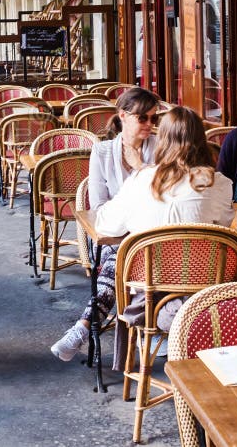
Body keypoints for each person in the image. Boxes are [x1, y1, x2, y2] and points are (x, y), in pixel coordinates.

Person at [51, 105, 233, 364]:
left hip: (149, 285)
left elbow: (104, 226)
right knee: (132, 252)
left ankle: (94, 325)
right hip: (204, 287)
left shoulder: (144, 179)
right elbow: (223, 225)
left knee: (121, 251)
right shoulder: (221, 183)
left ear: (163, 140)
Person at [50, 87, 160, 361]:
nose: (150, 124)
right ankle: (133, 325)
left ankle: (83, 326)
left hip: (149, 233)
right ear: (123, 115)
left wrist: (139, 172)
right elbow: (98, 207)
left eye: (153, 119)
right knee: (120, 256)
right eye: (143, 118)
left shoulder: (158, 148)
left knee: (122, 259)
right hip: (112, 232)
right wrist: (139, 183)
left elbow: (162, 197)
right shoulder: (102, 151)